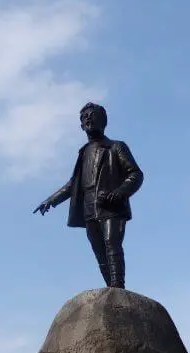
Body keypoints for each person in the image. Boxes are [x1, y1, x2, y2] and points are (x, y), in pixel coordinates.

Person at [34, 103, 144, 289]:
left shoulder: (116, 147)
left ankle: (118, 287)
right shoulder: (83, 152)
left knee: (112, 243)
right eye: (84, 117)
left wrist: (118, 193)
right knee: (99, 250)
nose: (88, 119)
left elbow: (135, 174)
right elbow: (73, 184)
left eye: (92, 115)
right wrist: (51, 200)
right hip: (88, 206)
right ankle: (110, 288)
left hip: (110, 205)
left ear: (104, 121)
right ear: (81, 126)